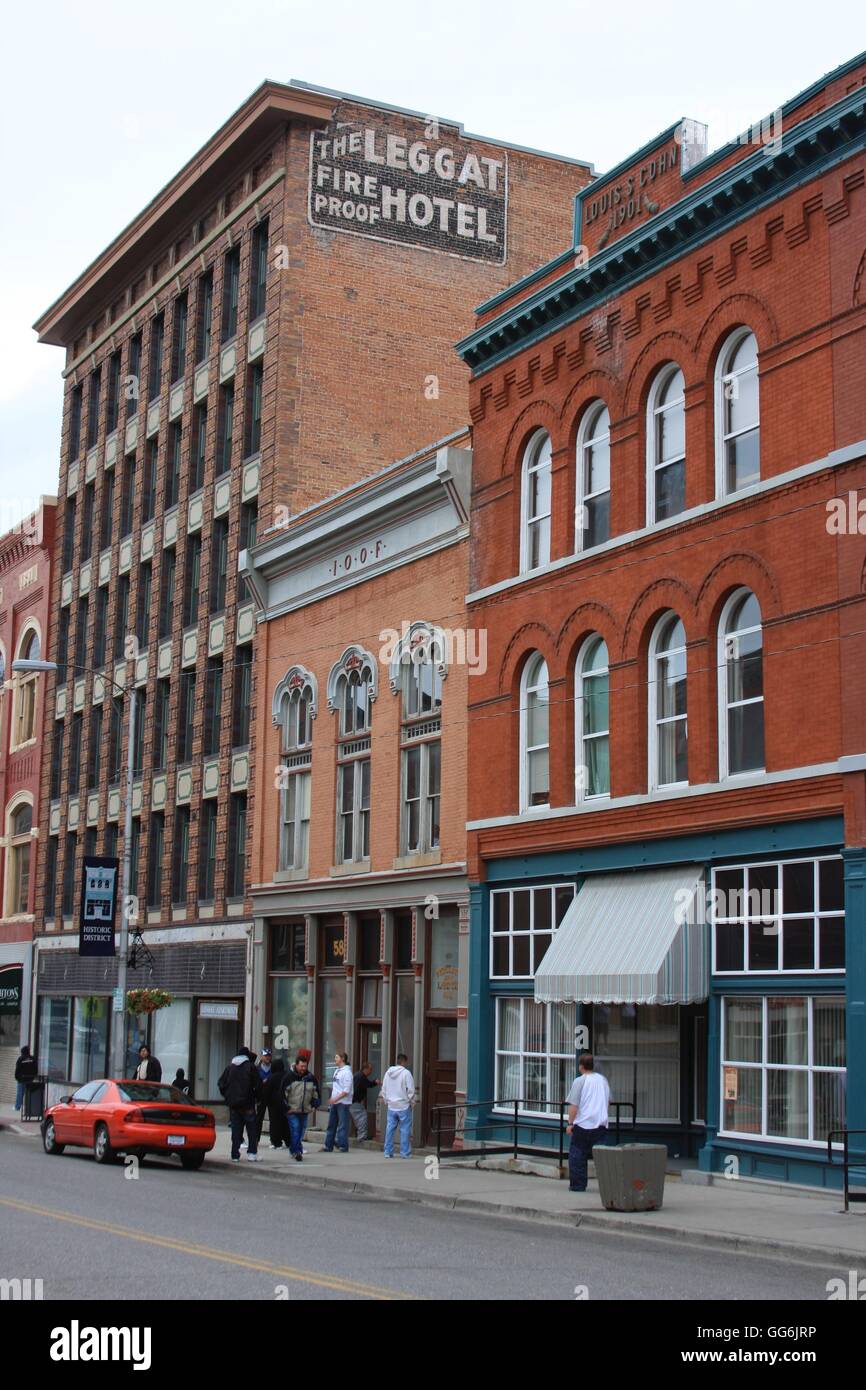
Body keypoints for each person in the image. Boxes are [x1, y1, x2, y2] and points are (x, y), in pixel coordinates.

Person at [565, 1052, 610, 1193]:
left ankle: (578, 1185)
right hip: (600, 1124)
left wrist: (570, 1123)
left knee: (577, 1155)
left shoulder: (579, 1081)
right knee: (602, 1158)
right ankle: (607, 1185)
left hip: (583, 1124)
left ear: (581, 1066)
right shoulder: (603, 1080)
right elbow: (608, 1101)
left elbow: (574, 1105)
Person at [218, 1047, 263, 1162]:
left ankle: (235, 1154)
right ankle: (252, 1153)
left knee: (236, 1130)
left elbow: (221, 1084)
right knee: (251, 1129)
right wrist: (258, 1098)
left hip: (233, 1105)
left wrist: (228, 1096)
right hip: (248, 1103)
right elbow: (258, 1085)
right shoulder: (251, 1067)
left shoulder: (230, 1067)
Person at [281, 1050, 321, 1162]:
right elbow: (282, 1094)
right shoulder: (289, 1077)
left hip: (305, 1110)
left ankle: (294, 1149)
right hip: (292, 1109)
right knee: (295, 1129)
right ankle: (296, 1151)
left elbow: (316, 1093)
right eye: (301, 1066)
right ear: (296, 1065)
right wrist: (286, 1108)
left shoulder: (310, 1078)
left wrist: (315, 1104)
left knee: (301, 1131)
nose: (303, 1068)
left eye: (305, 1066)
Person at [380, 1054, 416, 1159]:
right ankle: (405, 1153)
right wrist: (411, 1101)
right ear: (404, 1062)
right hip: (403, 1105)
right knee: (405, 1129)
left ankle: (388, 1152)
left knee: (390, 1128)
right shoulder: (406, 1073)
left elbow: (384, 1088)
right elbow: (410, 1090)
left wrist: (386, 1100)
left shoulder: (388, 1073)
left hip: (391, 1105)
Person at [322, 1051, 353, 1153]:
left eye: (337, 1057)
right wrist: (333, 1098)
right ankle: (328, 1145)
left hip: (343, 1102)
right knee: (331, 1124)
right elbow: (336, 1087)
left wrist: (335, 1099)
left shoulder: (347, 1072)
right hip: (335, 1102)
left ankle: (343, 1146)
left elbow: (346, 1090)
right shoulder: (337, 1071)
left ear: (343, 1058)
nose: (335, 1059)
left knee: (342, 1125)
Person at [260, 1057, 286, 1148]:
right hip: (286, 1103)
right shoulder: (287, 1075)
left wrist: (264, 1102)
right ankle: (288, 1140)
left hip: (273, 1104)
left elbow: (266, 1092)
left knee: (275, 1123)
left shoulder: (272, 1077)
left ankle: (276, 1142)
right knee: (285, 1122)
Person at [350, 1062, 379, 1142]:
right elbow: (367, 1084)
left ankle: (342, 1137)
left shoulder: (358, 1075)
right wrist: (375, 1082)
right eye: (370, 1069)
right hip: (355, 1101)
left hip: (351, 1101)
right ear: (365, 1069)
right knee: (362, 1118)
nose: (371, 1071)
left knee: (355, 1119)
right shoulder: (361, 1077)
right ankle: (362, 1136)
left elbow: (367, 1084)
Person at [255, 1048, 273, 1141]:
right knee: (259, 1118)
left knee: (273, 1118)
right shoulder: (257, 1068)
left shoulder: (273, 1068)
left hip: (271, 1096)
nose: (267, 1057)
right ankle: (256, 1138)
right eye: (265, 1056)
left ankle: (274, 1140)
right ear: (262, 1056)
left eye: (269, 1056)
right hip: (261, 1096)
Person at [14, 1046, 37, 1112]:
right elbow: (35, 1068)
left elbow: (17, 1069)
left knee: (20, 1093)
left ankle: (17, 1107)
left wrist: (16, 1077)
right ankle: (29, 1108)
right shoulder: (32, 1058)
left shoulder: (20, 1059)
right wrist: (33, 1076)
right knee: (29, 1094)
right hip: (30, 1079)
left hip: (21, 1079)